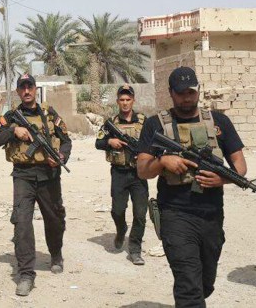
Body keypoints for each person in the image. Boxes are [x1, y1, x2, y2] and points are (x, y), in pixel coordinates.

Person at [136, 66, 246, 308]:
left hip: (211, 215)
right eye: (181, 93)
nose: (187, 97)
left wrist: (222, 179)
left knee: (205, 283)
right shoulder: (155, 124)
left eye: (191, 92)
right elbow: (142, 170)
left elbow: (240, 166)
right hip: (175, 214)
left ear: (198, 91)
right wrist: (163, 161)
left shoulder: (220, 122)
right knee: (188, 284)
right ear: (171, 93)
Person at [0, 73, 71, 297]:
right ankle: (26, 274)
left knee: (54, 219)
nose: (26, 91)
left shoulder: (49, 113)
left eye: (30, 87)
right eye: (22, 87)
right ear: (18, 92)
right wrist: (13, 131)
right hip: (23, 176)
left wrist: (62, 157)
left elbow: (66, 141)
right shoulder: (11, 116)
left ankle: (56, 254)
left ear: (35, 89)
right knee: (22, 223)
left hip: (49, 175)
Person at [95, 84, 148, 265]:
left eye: (128, 99)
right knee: (118, 210)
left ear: (133, 100)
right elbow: (98, 142)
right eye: (122, 100)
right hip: (119, 172)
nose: (125, 103)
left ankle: (134, 249)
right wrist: (110, 141)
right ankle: (121, 229)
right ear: (118, 101)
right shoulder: (111, 122)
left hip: (139, 173)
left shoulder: (143, 121)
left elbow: (153, 142)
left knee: (140, 213)